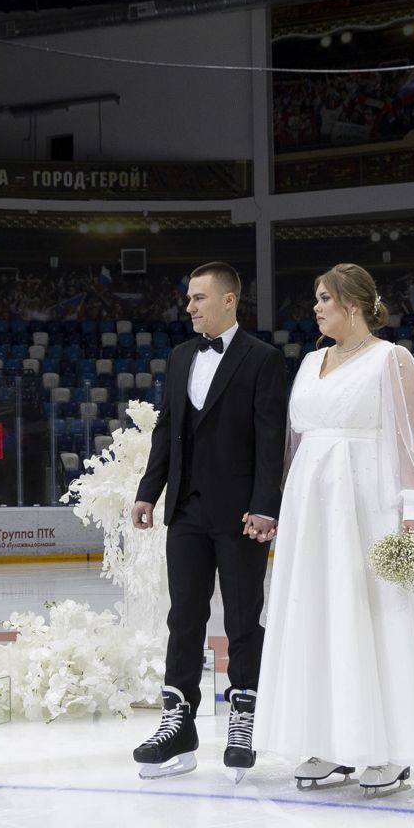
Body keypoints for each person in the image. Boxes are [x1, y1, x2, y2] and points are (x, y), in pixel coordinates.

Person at [256, 263, 414, 796]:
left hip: (368, 504)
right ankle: (329, 739)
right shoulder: (309, 363)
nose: (317, 308)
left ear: (354, 303)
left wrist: (413, 514)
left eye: (325, 298)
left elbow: (412, 442)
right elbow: (297, 445)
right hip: (312, 510)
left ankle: (390, 749)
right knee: (320, 616)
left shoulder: (393, 360)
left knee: (373, 618)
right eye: (316, 298)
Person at [129, 262, 288, 781]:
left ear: (228, 300)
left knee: (243, 618)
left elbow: (271, 442)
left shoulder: (263, 359)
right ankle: (179, 722)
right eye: (189, 298)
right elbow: (167, 430)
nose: (190, 306)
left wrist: (267, 505)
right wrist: (148, 491)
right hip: (187, 511)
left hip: (242, 513)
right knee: (184, 617)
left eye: (199, 297)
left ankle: (244, 715)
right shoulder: (179, 357)